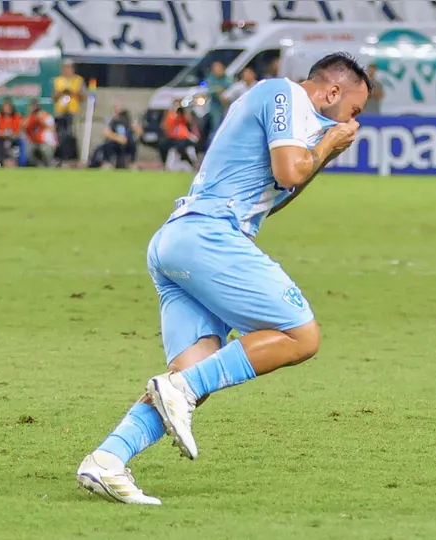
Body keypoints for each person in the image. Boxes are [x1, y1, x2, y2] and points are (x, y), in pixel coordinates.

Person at [76, 53, 368, 505]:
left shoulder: (298, 122)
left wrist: (324, 150)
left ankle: (107, 459)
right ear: (332, 92)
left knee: (196, 375)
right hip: (209, 236)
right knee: (301, 336)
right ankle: (179, 391)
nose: (355, 121)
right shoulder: (282, 93)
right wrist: (329, 142)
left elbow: (277, 195)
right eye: (355, 110)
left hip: (179, 242)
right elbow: (290, 171)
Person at [89, 104, 141, 169]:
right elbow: (106, 132)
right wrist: (118, 138)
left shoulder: (127, 121)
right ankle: (107, 163)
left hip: (125, 144)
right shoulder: (111, 121)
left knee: (133, 142)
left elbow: (139, 132)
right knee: (107, 145)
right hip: (114, 143)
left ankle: (131, 163)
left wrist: (136, 129)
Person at [158, 100, 200, 170]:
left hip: (186, 137)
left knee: (181, 147)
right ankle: (164, 163)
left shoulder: (187, 114)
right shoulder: (171, 115)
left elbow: (190, 122)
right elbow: (165, 126)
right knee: (162, 145)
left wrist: (184, 112)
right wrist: (173, 114)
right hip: (174, 137)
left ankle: (192, 163)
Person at [53, 60, 86, 136]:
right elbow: (54, 97)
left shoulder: (79, 80)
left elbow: (83, 96)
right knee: (60, 133)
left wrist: (72, 93)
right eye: (64, 68)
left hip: (73, 112)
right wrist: (61, 92)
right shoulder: (58, 80)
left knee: (72, 133)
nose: (65, 70)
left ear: (72, 68)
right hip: (60, 112)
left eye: (67, 67)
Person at [24, 99, 57, 167]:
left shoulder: (46, 116)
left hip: (47, 142)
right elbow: (24, 128)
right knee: (28, 150)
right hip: (34, 142)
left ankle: (49, 165)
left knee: (46, 150)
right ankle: (39, 166)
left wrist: (41, 121)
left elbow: (52, 129)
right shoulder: (30, 118)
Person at [205, 61, 231, 139]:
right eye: (215, 69)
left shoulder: (227, 78)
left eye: (219, 68)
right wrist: (217, 90)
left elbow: (231, 88)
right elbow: (209, 91)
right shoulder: (210, 79)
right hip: (215, 107)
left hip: (227, 106)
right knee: (216, 126)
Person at [0, 98, 24, 166]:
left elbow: (19, 130)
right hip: (1, 139)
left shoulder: (17, 117)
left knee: (19, 144)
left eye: (8, 107)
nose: (7, 109)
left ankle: (19, 163)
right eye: (5, 107)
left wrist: (12, 135)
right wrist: (3, 134)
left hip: (14, 139)